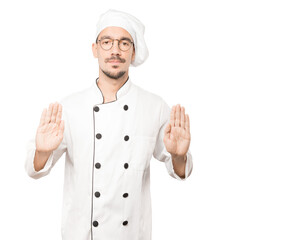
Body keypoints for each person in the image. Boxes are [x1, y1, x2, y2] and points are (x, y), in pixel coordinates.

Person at [25, 9, 193, 240]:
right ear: (95, 49)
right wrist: (42, 152)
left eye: (124, 43)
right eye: (107, 42)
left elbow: (180, 171)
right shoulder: (69, 107)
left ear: (133, 52)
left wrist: (179, 157)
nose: (115, 50)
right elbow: (34, 170)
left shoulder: (154, 106)